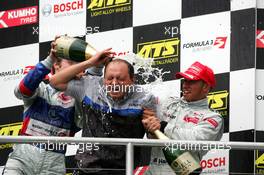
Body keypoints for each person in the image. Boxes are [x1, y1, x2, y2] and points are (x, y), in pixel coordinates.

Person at [49, 50, 157, 175]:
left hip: (124, 170)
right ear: (103, 79)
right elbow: (55, 81)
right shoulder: (90, 86)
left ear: (133, 80)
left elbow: (152, 137)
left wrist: (153, 129)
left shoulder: (145, 98)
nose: (115, 83)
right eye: (110, 78)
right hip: (87, 169)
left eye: (121, 79)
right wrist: (90, 62)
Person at [1, 40, 93, 175]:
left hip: (54, 166)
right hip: (22, 160)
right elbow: (21, 90)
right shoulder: (41, 90)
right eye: (73, 64)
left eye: (80, 65)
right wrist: (49, 60)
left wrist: (94, 69)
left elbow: (84, 118)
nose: (78, 68)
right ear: (56, 65)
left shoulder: (78, 100)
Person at [142, 61, 224, 175]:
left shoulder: (213, 117)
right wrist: (150, 126)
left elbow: (196, 141)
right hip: (152, 171)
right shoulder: (168, 102)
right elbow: (152, 137)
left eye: (192, 81)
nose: (185, 85)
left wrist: (163, 127)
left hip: (182, 172)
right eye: (185, 80)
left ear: (205, 87)